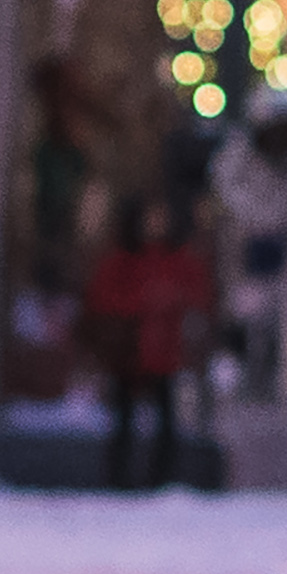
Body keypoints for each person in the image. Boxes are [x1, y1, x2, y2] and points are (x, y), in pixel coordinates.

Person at [76, 159, 222, 489]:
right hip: (128, 352)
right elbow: (102, 298)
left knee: (166, 421)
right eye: (151, 218)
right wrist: (143, 304)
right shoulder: (121, 259)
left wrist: (175, 305)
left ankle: (162, 479)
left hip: (165, 352)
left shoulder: (179, 259)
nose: (156, 224)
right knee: (124, 420)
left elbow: (198, 295)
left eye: (162, 218)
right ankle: (119, 479)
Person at [216, 90, 287, 401]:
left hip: (280, 242)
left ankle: (267, 379)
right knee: (242, 313)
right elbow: (225, 182)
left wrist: (278, 219)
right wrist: (254, 216)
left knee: (272, 317)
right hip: (245, 242)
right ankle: (242, 373)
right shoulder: (242, 147)